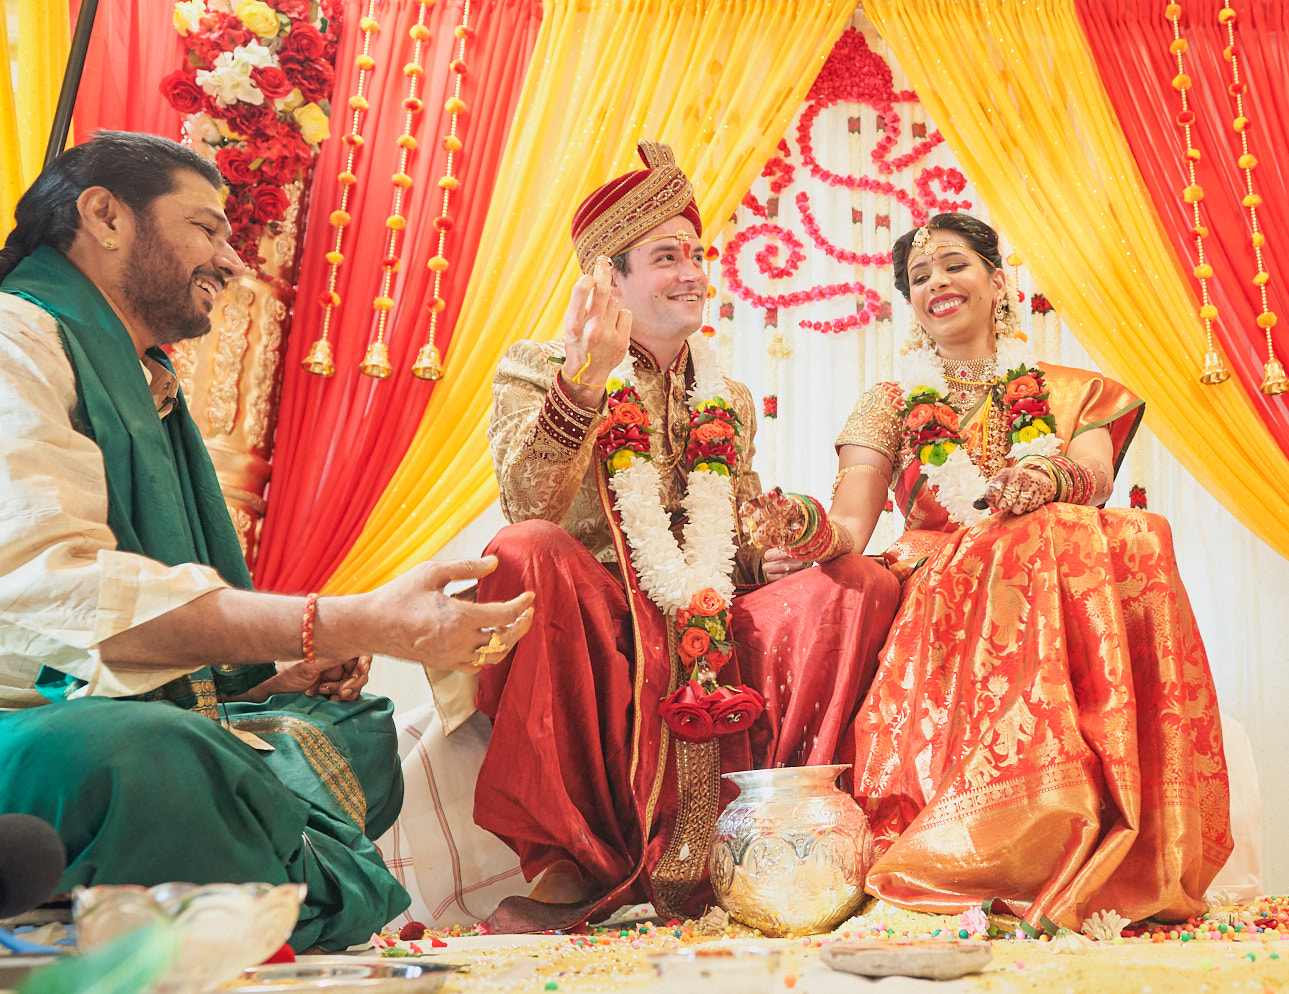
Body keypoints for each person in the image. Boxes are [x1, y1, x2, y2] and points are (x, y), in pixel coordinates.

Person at [0, 131, 535, 951]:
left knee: (354, 730)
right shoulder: (16, 341)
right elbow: (50, 593)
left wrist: (280, 674)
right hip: (29, 719)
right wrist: (346, 619)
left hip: (107, 709)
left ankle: (202, 897)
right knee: (152, 756)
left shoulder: (145, 379)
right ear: (104, 215)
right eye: (207, 228)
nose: (232, 260)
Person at [745, 213, 1232, 933]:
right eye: (919, 277)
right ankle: (995, 842)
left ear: (998, 282)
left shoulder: (1075, 393)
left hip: (1055, 569)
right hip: (938, 580)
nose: (936, 282)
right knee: (1025, 540)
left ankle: (1089, 836)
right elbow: (851, 523)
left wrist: (1043, 475)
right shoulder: (891, 404)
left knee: (1125, 533)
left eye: (953, 265)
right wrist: (804, 527)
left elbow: (1093, 477)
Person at [461, 141, 901, 932]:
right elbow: (525, 498)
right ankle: (568, 859)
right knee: (526, 549)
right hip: (597, 621)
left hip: (705, 615)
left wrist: (767, 548)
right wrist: (582, 384)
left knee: (858, 582)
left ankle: (786, 838)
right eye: (667, 256)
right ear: (609, 279)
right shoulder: (537, 366)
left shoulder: (724, 397)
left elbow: (724, 544)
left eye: (698, 254)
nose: (695, 272)